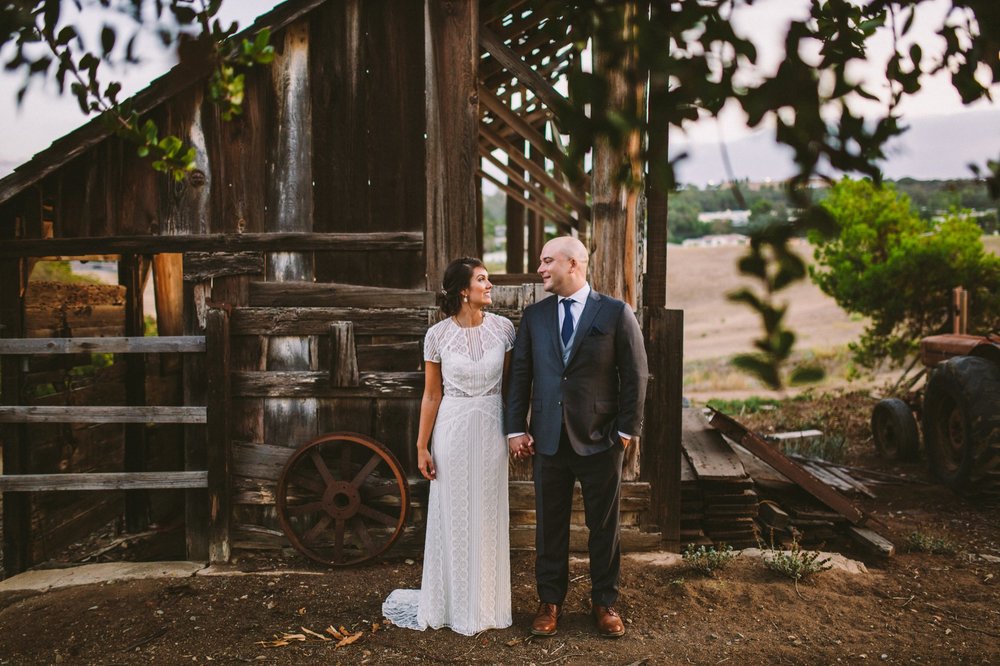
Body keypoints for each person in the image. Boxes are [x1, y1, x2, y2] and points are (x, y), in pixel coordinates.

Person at [505, 236, 649, 638]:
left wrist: (624, 432)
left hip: (601, 440)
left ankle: (605, 602)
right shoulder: (535, 316)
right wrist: (516, 428)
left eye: (547, 260)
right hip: (548, 440)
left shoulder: (616, 313)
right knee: (549, 526)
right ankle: (550, 602)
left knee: (604, 527)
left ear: (573, 264)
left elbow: (635, 374)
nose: (540, 268)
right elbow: (521, 376)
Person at [382, 257, 517, 636]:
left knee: (488, 513)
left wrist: (515, 432)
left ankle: (487, 605)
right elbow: (430, 395)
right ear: (463, 290)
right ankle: (451, 604)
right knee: (453, 514)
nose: (490, 285)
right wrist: (421, 446)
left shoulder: (505, 330)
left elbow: (511, 391)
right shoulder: (438, 336)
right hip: (452, 431)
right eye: (482, 279)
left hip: (491, 428)